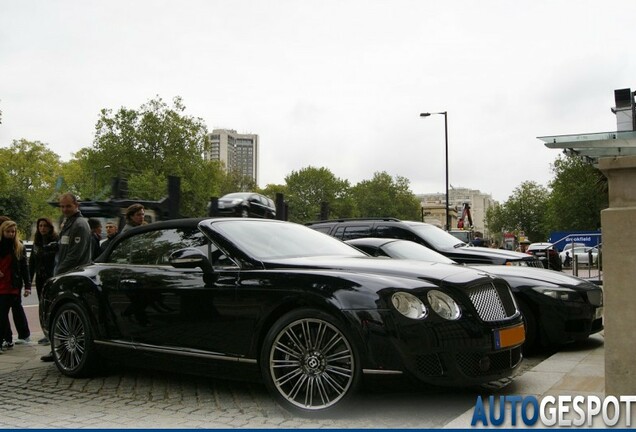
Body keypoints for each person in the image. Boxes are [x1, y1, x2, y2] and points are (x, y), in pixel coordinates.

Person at [41, 193, 92, 362]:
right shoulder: (69, 223)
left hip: (72, 275)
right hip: (66, 273)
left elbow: (75, 255)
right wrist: (53, 246)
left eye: (68, 206)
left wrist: (58, 273)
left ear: (76, 205)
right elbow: (65, 245)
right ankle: (58, 348)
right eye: (62, 206)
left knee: (65, 313)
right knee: (61, 314)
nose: (64, 209)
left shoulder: (79, 224)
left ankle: (63, 350)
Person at [0, 220, 32, 353]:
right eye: (8, 231)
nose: (11, 234)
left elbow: (24, 268)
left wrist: (28, 286)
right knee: (2, 315)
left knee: (4, 313)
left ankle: (8, 339)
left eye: (13, 232)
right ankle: (7, 339)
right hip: (1, 284)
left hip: (13, 285)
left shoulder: (19, 247)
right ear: (2, 232)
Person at [29, 217, 59, 345]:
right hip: (40, 278)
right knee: (42, 307)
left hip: (51, 277)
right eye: (40, 226)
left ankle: (52, 333)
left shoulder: (55, 242)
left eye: (45, 226)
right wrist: (29, 281)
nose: (42, 228)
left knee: (51, 306)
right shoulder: (37, 242)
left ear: (50, 227)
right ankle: (45, 332)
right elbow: (32, 263)